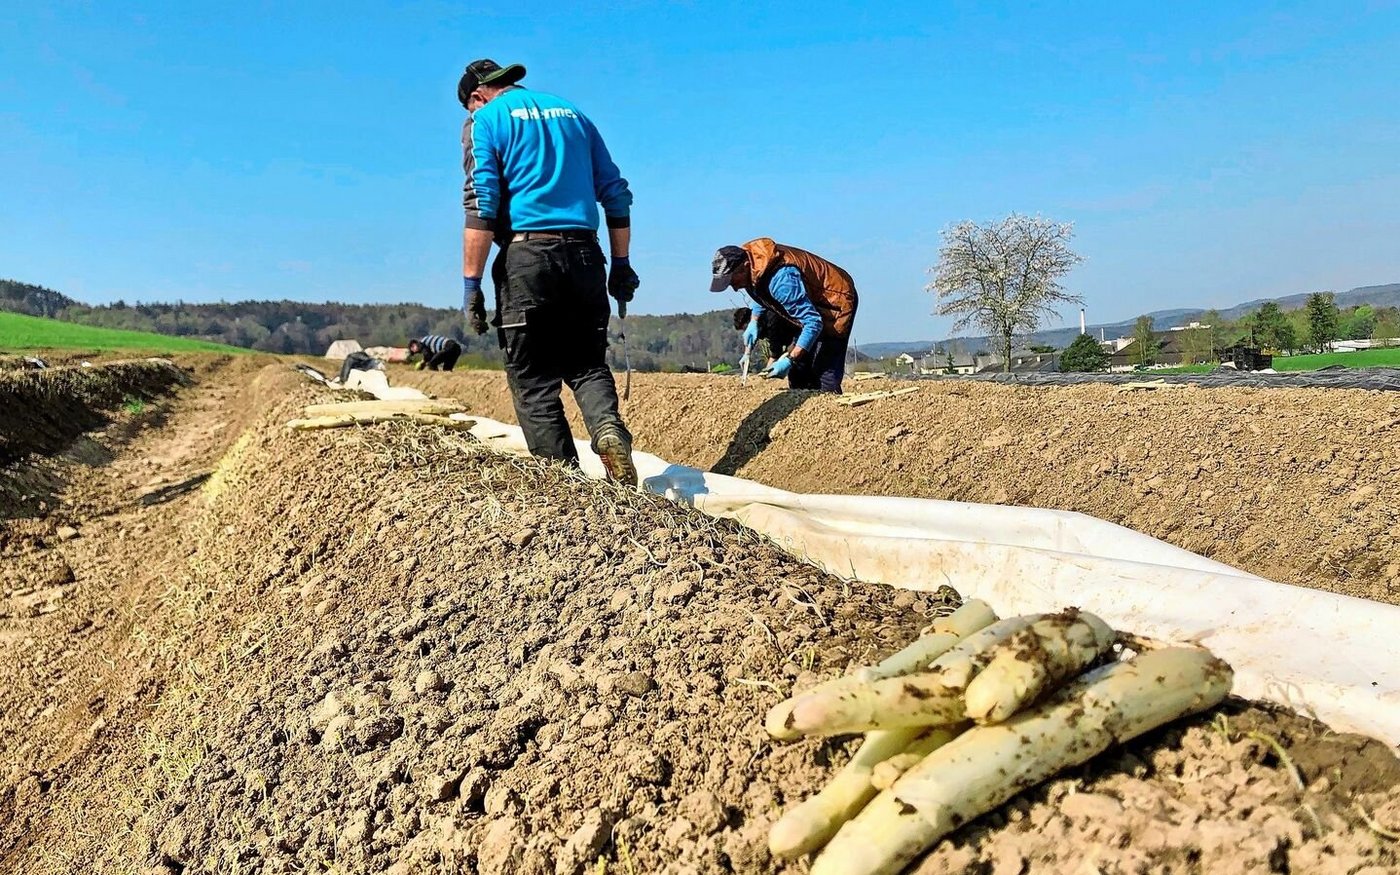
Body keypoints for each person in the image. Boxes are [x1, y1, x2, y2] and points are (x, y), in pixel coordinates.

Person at [458, 58, 640, 485]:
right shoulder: (574, 114)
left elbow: (482, 204)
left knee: (534, 378)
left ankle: (565, 488)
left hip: (527, 257)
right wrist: (622, 265)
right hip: (585, 255)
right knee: (587, 364)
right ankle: (609, 431)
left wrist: (472, 284)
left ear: (476, 96)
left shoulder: (486, 120)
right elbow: (615, 195)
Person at [710, 238, 859, 393]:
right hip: (808, 307)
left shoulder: (782, 281)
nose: (733, 288)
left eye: (731, 281)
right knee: (798, 373)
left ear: (744, 266)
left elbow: (813, 322)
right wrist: (754, 320)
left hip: (834, 302)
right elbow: (762, 294)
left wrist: (789, 359)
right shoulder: (753, 271)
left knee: (824, 370)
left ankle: (829, 409)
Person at [732, 306, 797, 368]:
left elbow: (776, 352)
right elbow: (751, 338)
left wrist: (766, 370)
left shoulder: (771, 323)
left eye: (746, 329)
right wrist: (747, 354)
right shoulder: (760, 319)